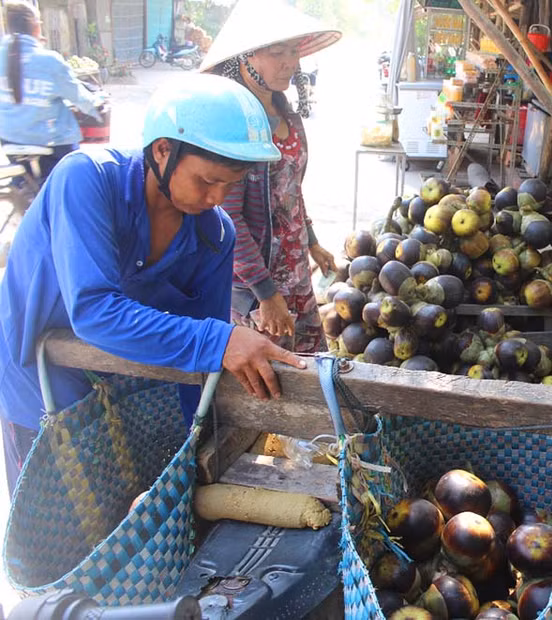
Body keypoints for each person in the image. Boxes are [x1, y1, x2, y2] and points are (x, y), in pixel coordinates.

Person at [0, 74, 306, 495]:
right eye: (206, 180)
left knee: (126, 521)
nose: (217, 198)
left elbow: (197, 369)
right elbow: (94, 311)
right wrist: (221, 341)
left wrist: (181, 456)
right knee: (60, 534)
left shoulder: (213, 236)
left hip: (126, 394)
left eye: (230, 184)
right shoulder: (86, 179)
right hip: (42, 388)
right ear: (163, 150)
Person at [199, 0, 341, 353]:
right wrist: (266, 293)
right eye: (277, 52)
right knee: (270, 383)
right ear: (244, 58)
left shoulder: (287, 114)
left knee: (310, 371)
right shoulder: (232, 123)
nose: (290, 63)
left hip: (294, 272)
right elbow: (228, 217)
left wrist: (311, 240)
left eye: (293, 51)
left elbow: (291, 190)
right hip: (255, 284)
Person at [0, 1, 104, 178]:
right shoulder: (49, 60)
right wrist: (97, 106)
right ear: (35, 26)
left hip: (9, 138)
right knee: (76, 175)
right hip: (50, 142)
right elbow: (78, 96)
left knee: (24, 181)